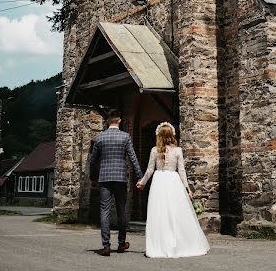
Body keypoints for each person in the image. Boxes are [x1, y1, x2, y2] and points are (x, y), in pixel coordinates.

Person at [137, 121, 210, 258]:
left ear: (159, 135)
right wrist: (187, 188)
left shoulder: (154, 150)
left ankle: (160, 245)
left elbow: (149, 170)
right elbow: (181, 171)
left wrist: (142, 182)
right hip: (173, 181)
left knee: (160, 213)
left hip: (159, 181)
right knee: (176, 212)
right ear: (172, 135)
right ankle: (178, 243)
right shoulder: (178, 150)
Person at [89, 109, 143, 256]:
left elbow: (93, 161)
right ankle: (121, 243)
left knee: (104, 210)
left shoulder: (100, 138)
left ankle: (106, 246)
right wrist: (140, 176)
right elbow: (133, 158)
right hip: (120, 177)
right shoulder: (125, 137)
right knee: (121, 210)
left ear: (107, 121)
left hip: (104, 178)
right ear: (119, 120)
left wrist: (93, 178)